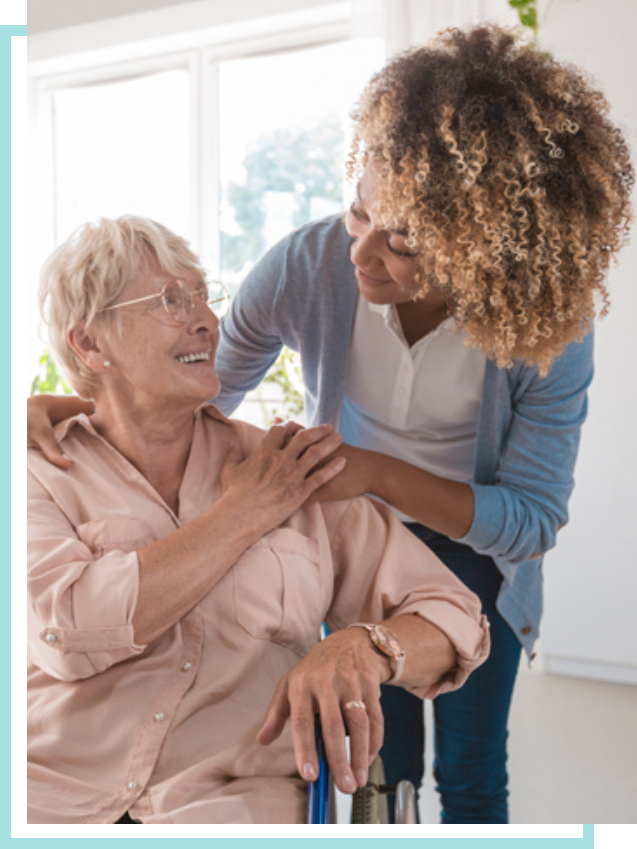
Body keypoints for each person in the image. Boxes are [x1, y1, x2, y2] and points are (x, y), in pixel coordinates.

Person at [26, 24, 634, 825]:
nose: (361, 252)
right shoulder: (309, 264)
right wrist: (70, 407)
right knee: (383, 768)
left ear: (482, 252)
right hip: (336, 502)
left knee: (472, 764)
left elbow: (528, 519)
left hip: (467, 539)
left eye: (403, 239)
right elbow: (202, 390)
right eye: (358, 212)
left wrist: (371, 477)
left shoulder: (542, 333)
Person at [26, 215, 490, 825]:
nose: (206, 319)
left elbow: (456, 619)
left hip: (230, 810)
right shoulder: (37, 470)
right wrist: (244, 512)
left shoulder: (292, 467)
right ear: (89, 344)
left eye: (203, 295)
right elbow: (72, 629)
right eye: (170, 299)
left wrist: (365, 647)